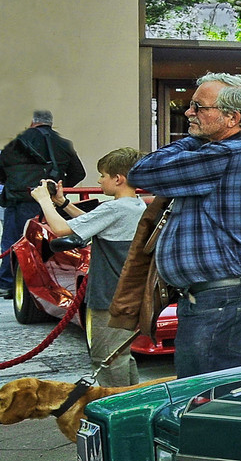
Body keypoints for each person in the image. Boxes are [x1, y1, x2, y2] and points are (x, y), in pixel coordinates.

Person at [123, 73, 241, 378]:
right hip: (217, 296)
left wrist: (194, 139)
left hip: (220, 298)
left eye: (198, 107)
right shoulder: (237, 152)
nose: (188, 113)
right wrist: (202, 135)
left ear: (233, 118)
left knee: (202, 394)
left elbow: (141, 173)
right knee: (204, 389)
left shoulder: (233, 154)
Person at [25, 148, 150, 386]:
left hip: (109, 295)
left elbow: (62, 230)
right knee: (121, 355)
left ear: (118, 179)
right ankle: (131, 401)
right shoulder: (136, 205)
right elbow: (94, 223)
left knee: (107, 358)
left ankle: (114, 410)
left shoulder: (115, 208)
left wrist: (43, 201)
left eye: (102, 175)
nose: (99, 180)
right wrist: (61, 202)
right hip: (127, 294)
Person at [1, 109, 85, 295]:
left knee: (13, 241)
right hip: (49, 201)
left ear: (32, 122)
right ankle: (40, 284)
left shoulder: (15, 143)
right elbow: (79, 172)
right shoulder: (63, 144)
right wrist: (56, 190)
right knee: (44, 242)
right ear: (51, 123)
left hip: (18, 199)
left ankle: (8, 283)